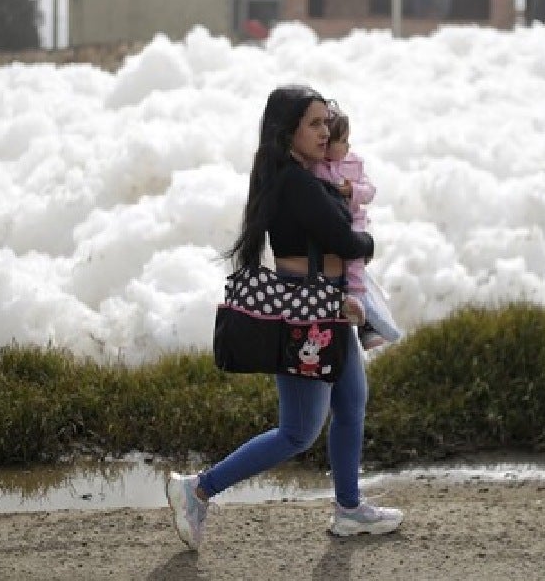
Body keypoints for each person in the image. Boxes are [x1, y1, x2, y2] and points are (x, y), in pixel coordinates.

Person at [166, 85, 404, 551]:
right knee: (298, 431)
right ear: (287, 129)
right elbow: (346, 239)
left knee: (352, 403)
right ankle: (197, 489)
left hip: (329, 304)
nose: (325, 131)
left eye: (326, 122)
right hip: (307, 312)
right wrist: (367, 244)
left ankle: (349, 509)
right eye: (313, 124)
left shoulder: (303, 175)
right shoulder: (295, 182)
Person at [311, 107, 404, 350]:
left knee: (354, 262)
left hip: (354, 221)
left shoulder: (354, 163)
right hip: (330, 230)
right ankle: (362, 315)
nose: (347, 146)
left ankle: (360, 305)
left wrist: (352, 189)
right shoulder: (315, 167)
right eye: (342, 141)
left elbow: (370, 191)